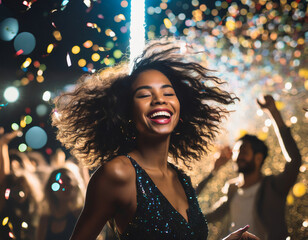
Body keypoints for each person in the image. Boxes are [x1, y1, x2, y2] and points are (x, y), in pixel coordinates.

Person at [52, 40, 260, 240]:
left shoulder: (181, 178)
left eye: (168, 93)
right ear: (128, 112)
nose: (159, 99)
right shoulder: (118, 173)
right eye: (144, 95)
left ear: (180, 107)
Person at [198, 95, 302, 240]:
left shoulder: (273, 186)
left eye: (244, 152)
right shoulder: (232, 189)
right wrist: (213, 171)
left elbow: (295, 160)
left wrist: (274, 114)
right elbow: (199, 217)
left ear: (258, 158)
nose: (238, 157)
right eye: (237, 152)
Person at [36, 167, 85, 240]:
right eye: (58, 182)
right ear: (50, 189)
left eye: (68, 180)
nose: (64, 185)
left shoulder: (80, 215)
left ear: (75, 184)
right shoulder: (44, 220)